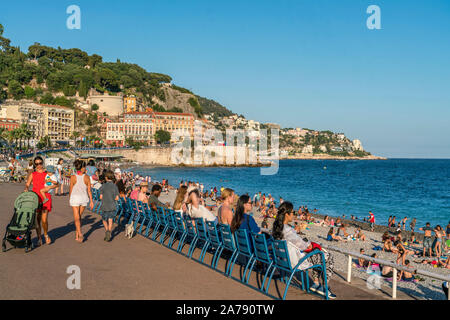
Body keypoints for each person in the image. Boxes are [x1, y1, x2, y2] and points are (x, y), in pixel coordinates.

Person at [272, 201, 336, 299]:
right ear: (286, 214)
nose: (294, 214)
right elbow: (306, 247)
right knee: (327, 256)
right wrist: (309, 244)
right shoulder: (288, 231)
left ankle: (316, 283)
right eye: (293, 212)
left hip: (282, 260)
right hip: (295, 261)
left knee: (317, 256)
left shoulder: (277, 228)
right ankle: (324, 287)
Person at [24, 156, 57, 245]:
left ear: (43, 163)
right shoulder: (33, 174)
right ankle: (39, 238)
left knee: (44, 219)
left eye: (40, 163)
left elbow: (55, 183)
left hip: (46, 197)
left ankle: (45, 235)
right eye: (37, 164)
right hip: (36, 198)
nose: (39, 165)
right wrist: (26, 188)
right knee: (37, 220)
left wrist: (50, 186)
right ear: (35, 164)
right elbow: (27, 184)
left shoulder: (47, 173)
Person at [69, 159, 94, 243]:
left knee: (77, 218)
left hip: (75, 198)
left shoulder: (73, 177)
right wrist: (91, 201)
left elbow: (71, 190)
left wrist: (70, 198)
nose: (85, 168)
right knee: (79, 217)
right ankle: (77, 235)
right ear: (82, 168)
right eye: (85, 167)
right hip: (84, 198)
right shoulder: (87, 177)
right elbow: (89, 191)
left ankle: (79, 233)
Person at [99, 170, 119, 242]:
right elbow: (117, 198)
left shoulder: (103, 186)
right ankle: (109, 231)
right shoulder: (115, 186)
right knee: (110, 219)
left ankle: (107, 230)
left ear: (106, 178)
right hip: (112, 206)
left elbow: (101, 197)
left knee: (104, 220)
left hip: (105, 206)